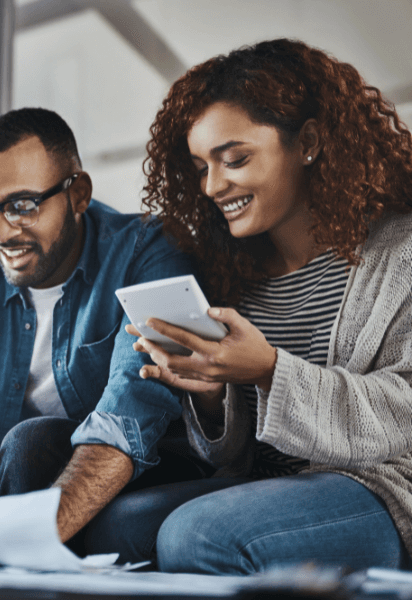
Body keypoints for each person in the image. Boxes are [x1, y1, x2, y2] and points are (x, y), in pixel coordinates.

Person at [86, 38, 412, 574]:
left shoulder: (398, 253)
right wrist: (214, 394)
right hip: (272, 487)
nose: (213, 186)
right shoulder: (238, 272)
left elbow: (402, 413)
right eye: (200, 166)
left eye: (234, 159)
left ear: (307, 142)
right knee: (112, 529)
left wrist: (268, 370)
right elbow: (235, 459)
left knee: (199, 535)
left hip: (386, 486)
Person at [0, 107, 203, 561]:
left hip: (136, 472)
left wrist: (20, 528)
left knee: (29, 440)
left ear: (78, 194)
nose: (0, 232)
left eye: (21, 205)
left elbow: (130, 415)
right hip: (16, 478)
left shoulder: (151, 252)